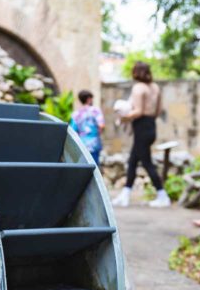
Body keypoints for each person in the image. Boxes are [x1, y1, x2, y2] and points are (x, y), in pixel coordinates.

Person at [113, 61, 170, 208]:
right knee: (133, 161)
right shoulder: (155, 87)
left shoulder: (139, 88)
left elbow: (138, 111)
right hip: (151, 126)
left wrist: (124, 118)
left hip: (141, 127)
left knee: (146, 162)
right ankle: (125, 194)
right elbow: (158, 111)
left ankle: (162, 195)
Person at [70, 89, 105, 166]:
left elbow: (73, 131)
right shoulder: (95, 110)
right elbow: (101, 125)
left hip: (82, 146)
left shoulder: (75, 114)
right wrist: (98, 133)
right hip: (94, 144)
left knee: (84, 168)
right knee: (94, 168)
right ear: (89, 99)